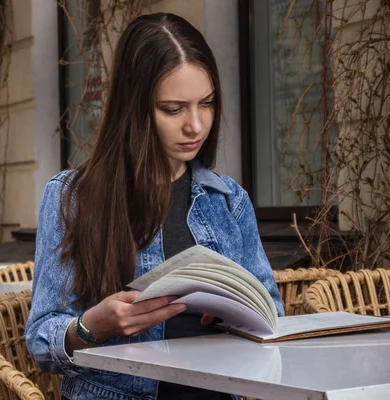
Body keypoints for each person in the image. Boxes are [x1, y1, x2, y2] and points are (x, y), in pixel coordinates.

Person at [25, 12, 283, 400]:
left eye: (207, 104)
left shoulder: (228, 201)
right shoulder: (72, 198)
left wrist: (239, 321)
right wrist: (93, 326)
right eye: (174, 109)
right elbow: (40, 340)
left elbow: (272, 319)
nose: (195, 125)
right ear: (135, 108)